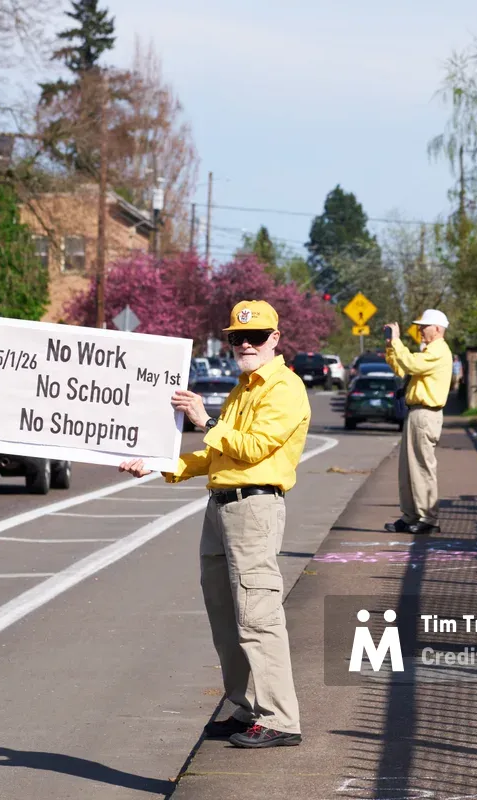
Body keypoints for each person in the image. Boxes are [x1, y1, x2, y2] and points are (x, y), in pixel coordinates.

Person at [118, 299, 309, 748]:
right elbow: (218, 452)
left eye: (256, 336)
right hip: (222, 505)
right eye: (236, 337)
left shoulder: (284, 387)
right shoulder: (243, 388)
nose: (245, 344)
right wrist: (163, 465)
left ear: (275, 339)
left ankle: (280, 719)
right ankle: (246, 709)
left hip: (255, 506)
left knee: (258, 614)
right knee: (226, 615)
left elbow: (255, 447)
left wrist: (205, 419)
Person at [383, 309, 453, 535]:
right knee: (407, 468)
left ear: (438, 329)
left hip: (426, 413)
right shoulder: (428, 351)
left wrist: (397, 341)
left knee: (422, 467)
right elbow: (404, 368)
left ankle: (428, 518)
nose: (420, 330)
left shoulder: (439, 351)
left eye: (424, 326)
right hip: (416, 413)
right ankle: (411, 515)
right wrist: (391, 347)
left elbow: (411, 365)